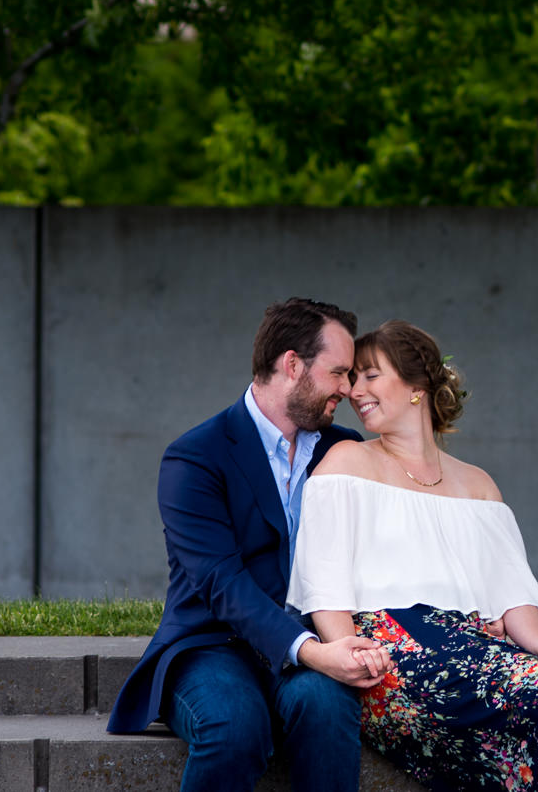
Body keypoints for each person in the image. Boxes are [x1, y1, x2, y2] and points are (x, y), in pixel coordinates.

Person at [287, 319, 538, 791]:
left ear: (417, 387)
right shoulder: (347, 463)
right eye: (353, 378)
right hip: (390, 651)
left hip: (468, 646)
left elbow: (511, 590)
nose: (356, 391)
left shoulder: (478, 485)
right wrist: (346, 650)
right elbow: (324, 579)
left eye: (370, 375)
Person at [107, 297, 395, 792]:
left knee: (327, 707)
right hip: (210, 645)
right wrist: (309, 651)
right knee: (234, 727)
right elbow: (221, 583)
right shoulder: (196, 458)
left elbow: (402, 531)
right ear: (291, 365)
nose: (348, 390)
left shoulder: (343, 451)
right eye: (339, 373)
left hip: (317, 639)